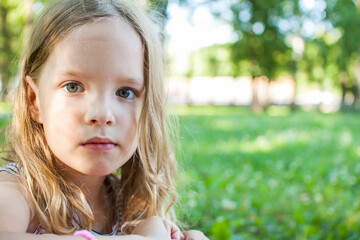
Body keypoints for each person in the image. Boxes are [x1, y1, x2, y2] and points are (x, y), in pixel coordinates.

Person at [0, 0, 208, 239]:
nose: (102, 115)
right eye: (73, 86)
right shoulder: (16, 191)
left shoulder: (129, 207)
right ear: (34, 100)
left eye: (125, 92)